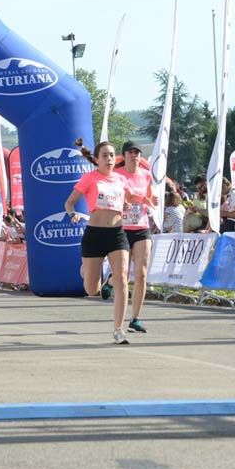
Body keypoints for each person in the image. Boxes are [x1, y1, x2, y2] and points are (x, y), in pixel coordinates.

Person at [65, 141, 132, 345]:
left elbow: (125, 202)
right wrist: (72, 214)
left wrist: (127, 206)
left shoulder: (121, 179)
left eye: (112, 155)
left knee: (121, 277)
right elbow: (69, 202)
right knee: (91, 290)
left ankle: (119, 329)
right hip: (94, 234)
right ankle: (87, 271)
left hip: (117, 233)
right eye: (104, 155)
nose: (109, 159)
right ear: (96, 159)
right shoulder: (89, 178)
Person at [119, 141, 158, 334]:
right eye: (131, 152)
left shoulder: (145, 175)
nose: (135, 156)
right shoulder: (117, 175)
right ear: (124, 155)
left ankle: (135, 318)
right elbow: (122, 196)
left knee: (141, 273)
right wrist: (132, 199)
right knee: (123, 274)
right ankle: (111, 281)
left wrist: (153, 201)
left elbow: (149, 197)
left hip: (142, 227)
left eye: (138, 153)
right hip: (122, 228)